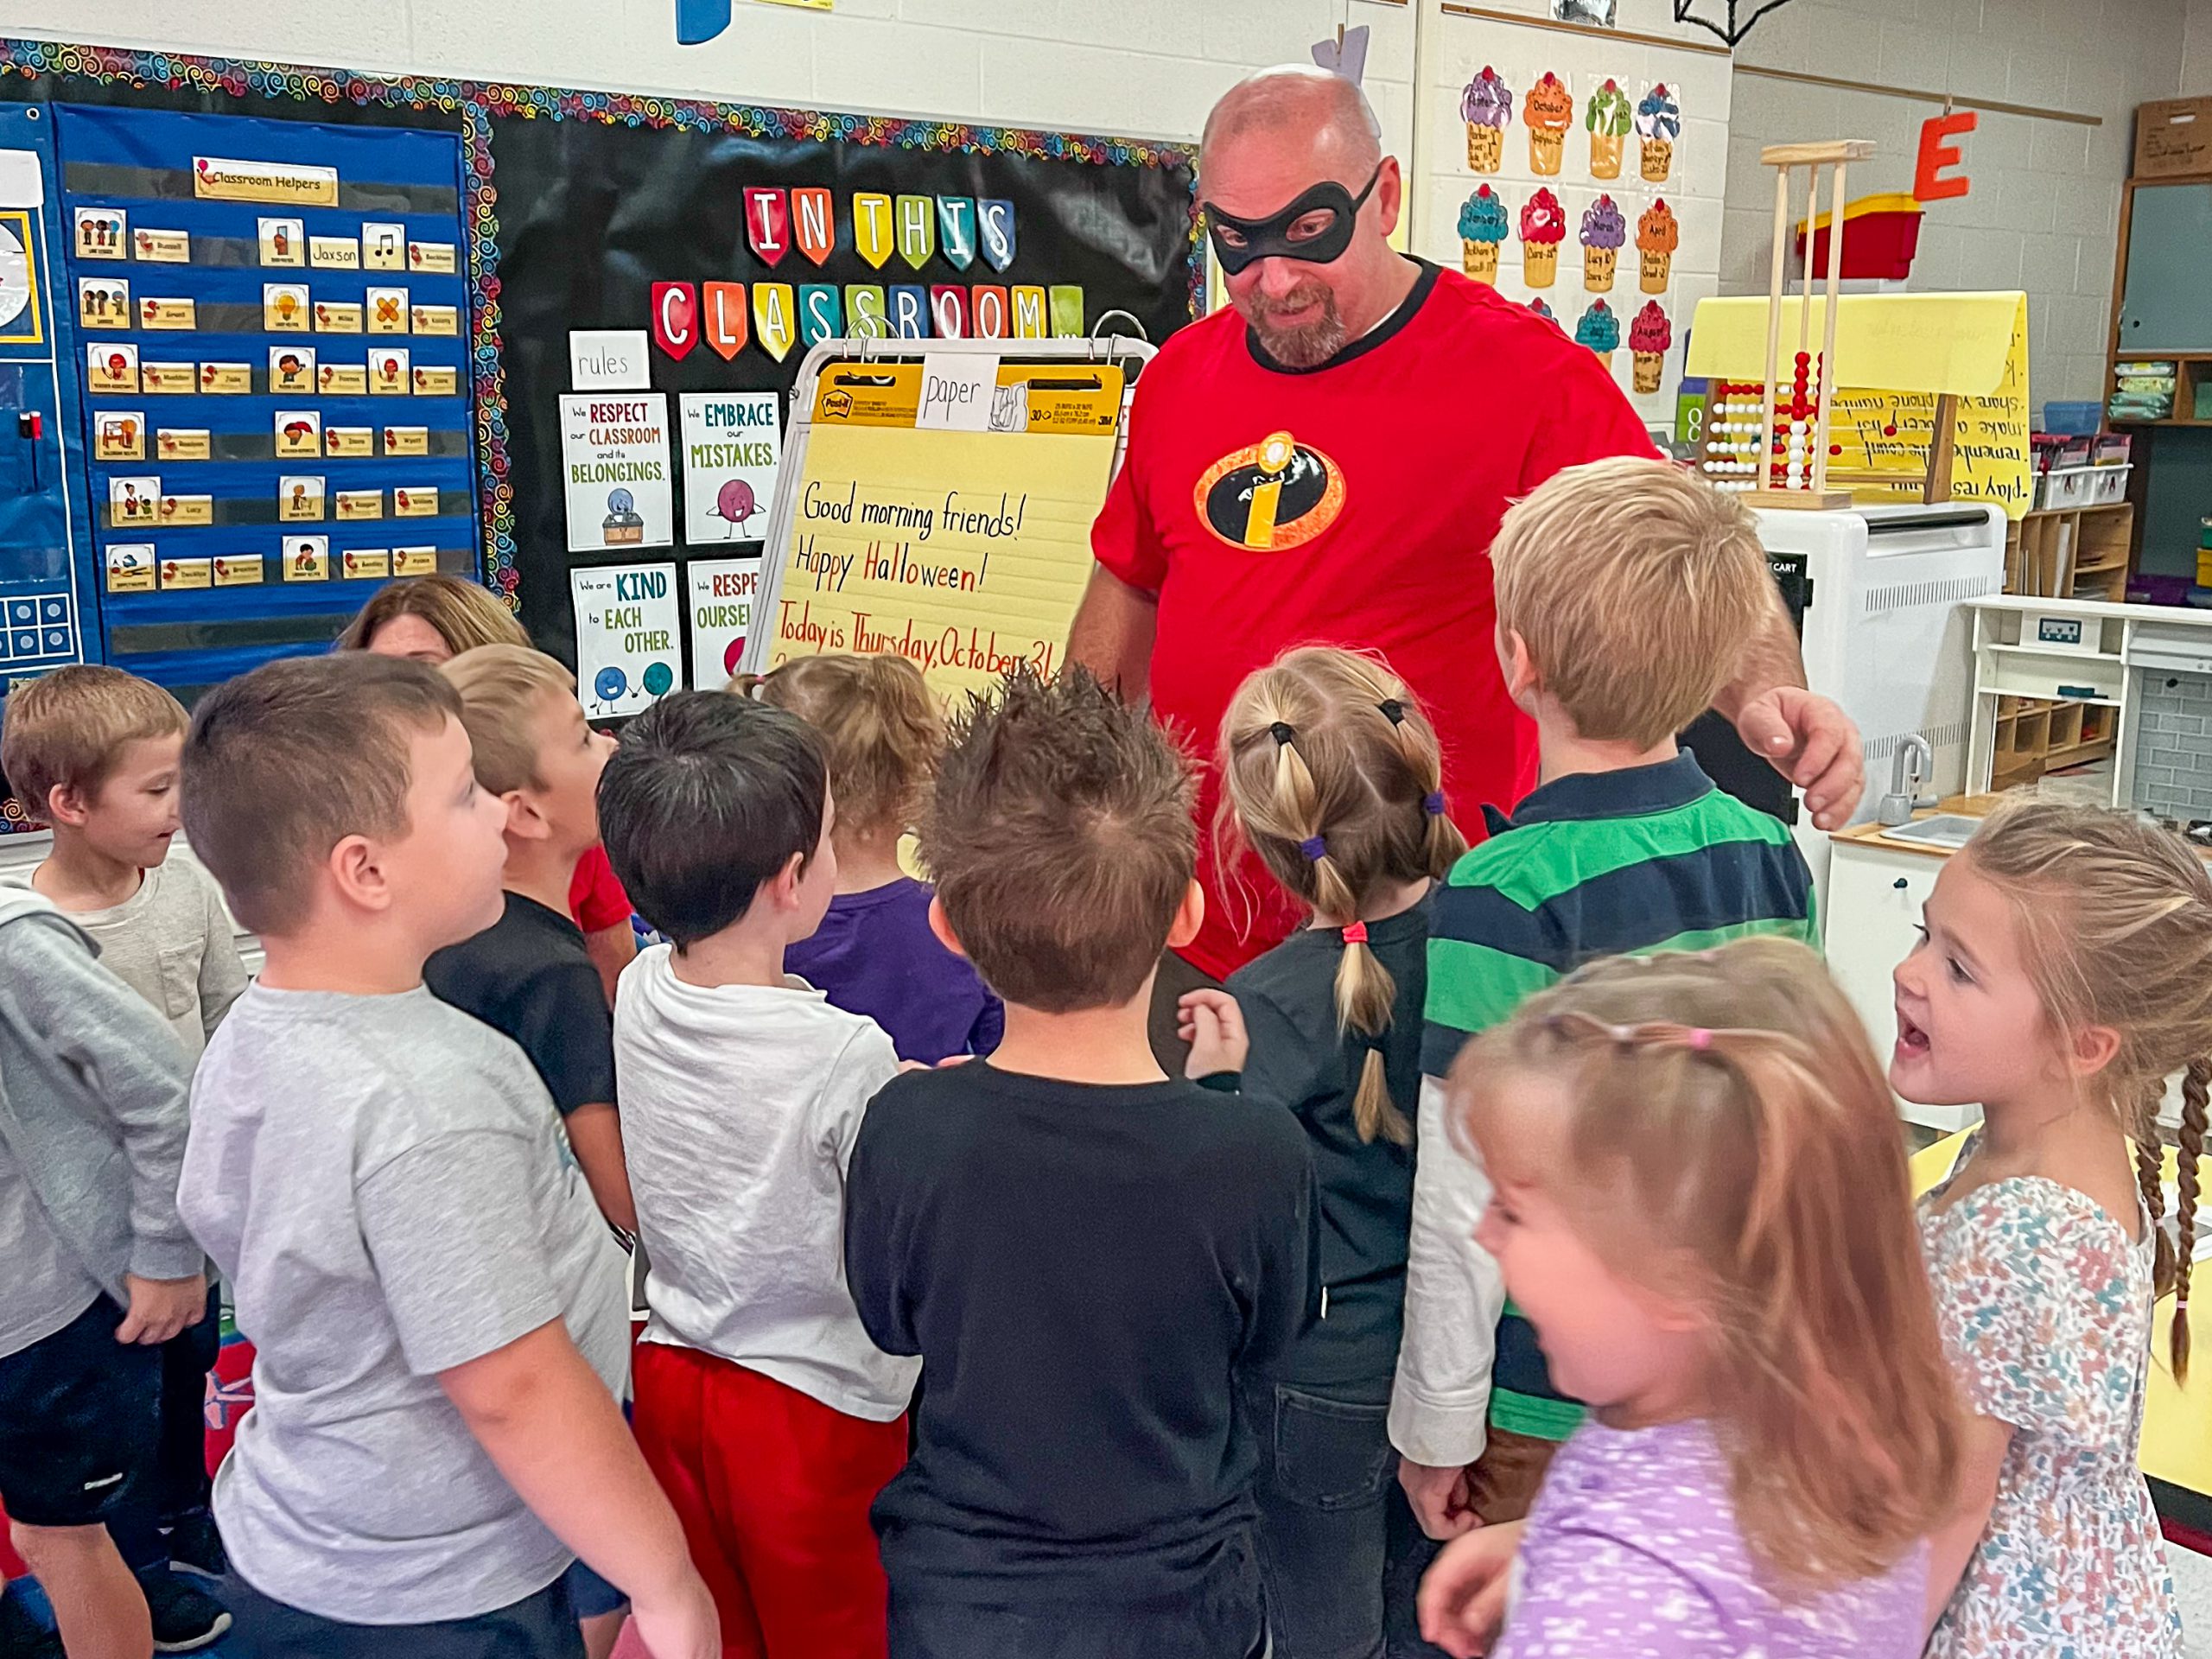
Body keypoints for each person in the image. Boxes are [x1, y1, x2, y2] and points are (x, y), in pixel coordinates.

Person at [1068, 66, 1861, 1037]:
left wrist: (1768, 701)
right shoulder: (1182, 377)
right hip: (1194, 939)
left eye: (1307, 233)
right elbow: (1127, 587)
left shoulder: (1526, 377)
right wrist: (1066, 791)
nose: (1271, 280)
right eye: (1238, 242)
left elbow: (1675, 553)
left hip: (1432, 944)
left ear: (1385, 195)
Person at [174, 653, 715, 1659]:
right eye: (466, 795)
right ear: (364, 870)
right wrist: (663, 1576)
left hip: (311, 1537)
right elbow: (510, 1385)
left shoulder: (255, 1034)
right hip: (435, 1593)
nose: (500, 813)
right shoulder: (428, 1099)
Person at [843, 665, 1319, 1659]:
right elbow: (1265, 1343)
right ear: (1184, 916)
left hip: (965, 1604)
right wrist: (1224, 1097)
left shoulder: (908, 1123)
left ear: (946, 928)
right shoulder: (1255, 1149)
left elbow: (890, 1326)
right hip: (1181, 1604)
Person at [1393, 458, 1820, 1538]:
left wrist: (1435, 1425)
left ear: (1515, 658)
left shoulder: (1503, 894)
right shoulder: (1769, 852)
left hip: (1551, 1395)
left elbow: (1464, 1196)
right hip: (1728, 1372)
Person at [1416, 942, 1960, 1659]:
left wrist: (1587, 1593)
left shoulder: (1615, 1611)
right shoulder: (1827, 1429)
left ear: (1677, 1282)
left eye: (1515, 1212)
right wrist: (1547, 1555)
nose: (1486, 1236)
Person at [599, 691, 913, 1658]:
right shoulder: (843, 1053)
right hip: (811, 1411)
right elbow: (890, 1220)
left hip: (674, 1367)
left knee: (720, 1630)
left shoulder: (643, 988)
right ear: (789, 880)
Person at [1171, 646, 1462, 1659]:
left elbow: (1223, 1211)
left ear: (1259, 840)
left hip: (1316, 1377)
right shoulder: (1490, 944)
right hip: (1452, 1363)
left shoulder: (1258, 1009)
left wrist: (1211, 1084)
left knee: (1319, 1632)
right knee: (1438, 1615)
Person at [1896, 801, 2202, 1657]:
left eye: (1958, 969)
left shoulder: (2022, 1227)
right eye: (1925, 936)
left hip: (2004, 1614)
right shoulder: (2062, 1154)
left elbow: (1952, 1501)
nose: (1907, 972)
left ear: (2083, 1044)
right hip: (2086, 1587)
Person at [2, 666, 245, 1651]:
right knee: (118, 1425)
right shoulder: (42, 936)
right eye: (156, 790)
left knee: (185, 1375)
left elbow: (221, 1020)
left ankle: (182, 1525)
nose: (180, 809)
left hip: (182, 1208)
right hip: (105, 1248)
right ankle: (142, 1562)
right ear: (66, 805)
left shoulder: (182, 885)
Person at [0, 888, 202, 1659]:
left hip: (41, 1316)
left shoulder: (16, 942)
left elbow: (161, 1091)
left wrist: (162, 1254)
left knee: (60, 1539)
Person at [340, 575, 636, 1003]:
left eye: (424, 673)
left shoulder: (569, 823)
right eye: (378, 679)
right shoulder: (354, 832)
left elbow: (613, 991)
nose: (398, 698)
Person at [425, 645, 634, 1236]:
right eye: (584, 739)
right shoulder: (551, 977)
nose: (611, 744)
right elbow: (621, 1197)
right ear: (525, 814)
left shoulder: (446, 933)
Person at [741, 654, 1001, 1063]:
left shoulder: (741, 922)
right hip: (919, 1123)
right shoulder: (967, 927)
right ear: (911, 782)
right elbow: (1003, 1059)